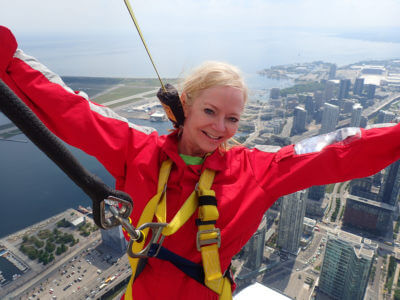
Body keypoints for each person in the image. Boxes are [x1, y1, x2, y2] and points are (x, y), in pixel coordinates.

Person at [1, 25, 400, 299]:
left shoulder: (256, 170)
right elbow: (70, 110)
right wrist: (8, 56)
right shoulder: (137, 149)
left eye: (232, 119)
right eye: (210, 111)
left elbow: (337, 152)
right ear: (186, 104)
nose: (221, 128)